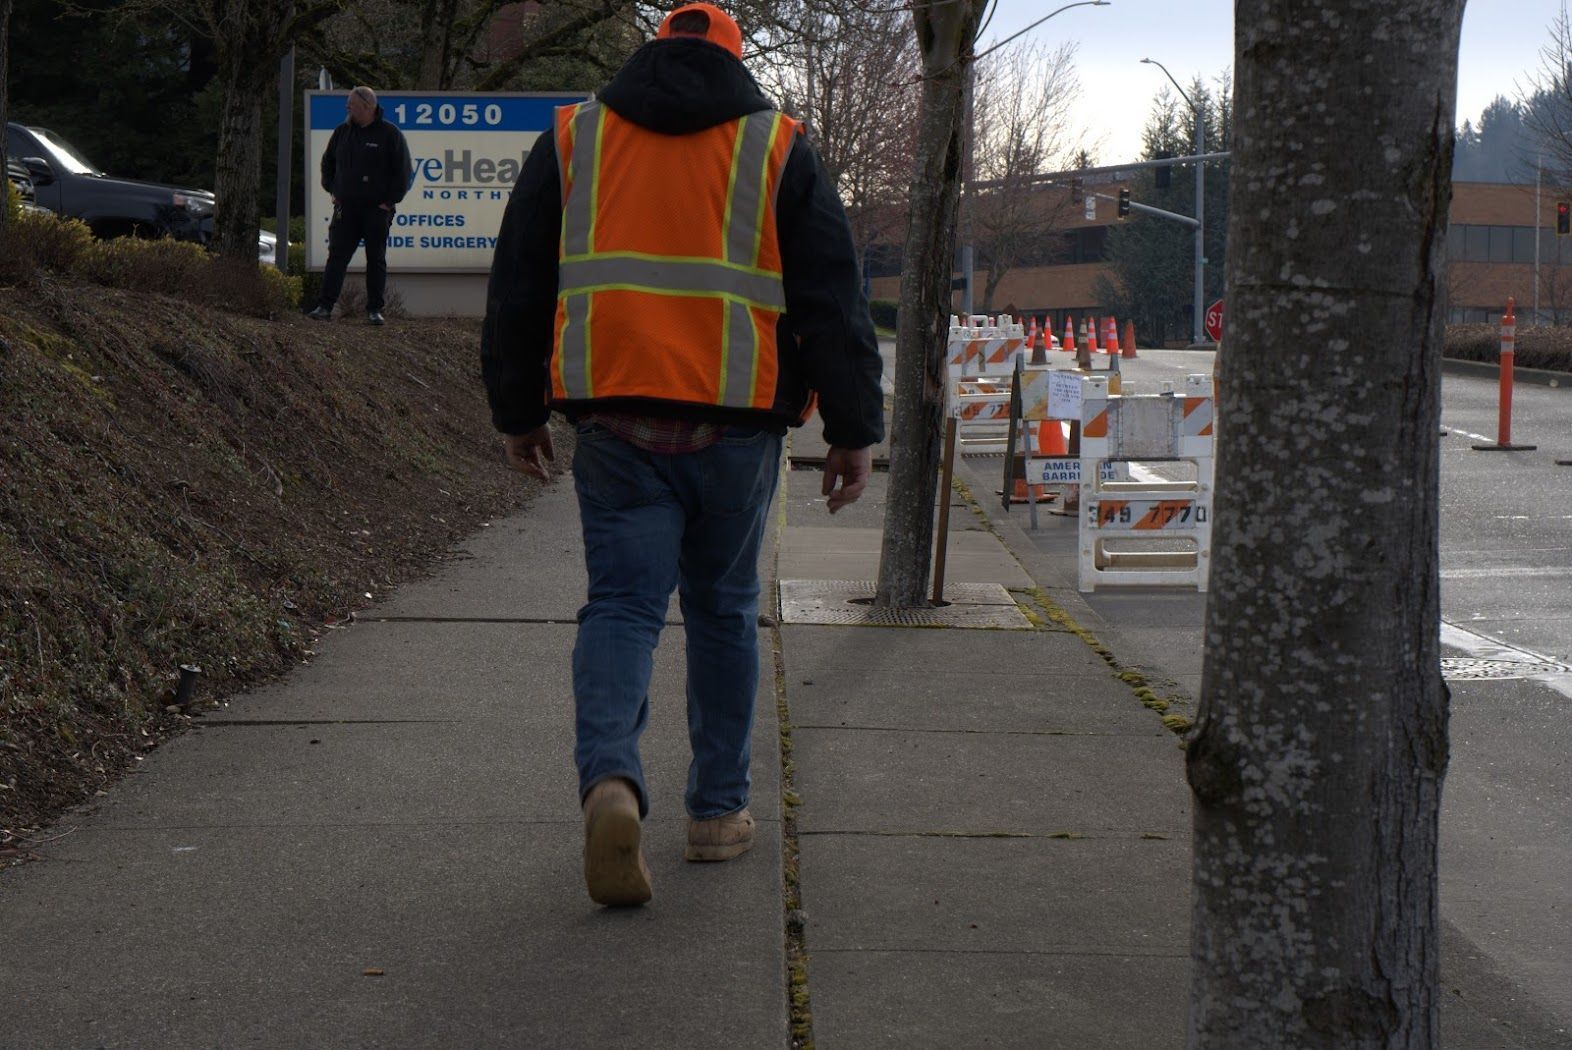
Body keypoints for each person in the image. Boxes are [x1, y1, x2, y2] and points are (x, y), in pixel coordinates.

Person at [480, 2, 884, 908]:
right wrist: (853, 430)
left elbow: (519, 280)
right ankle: (715, 813)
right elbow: (829, 294)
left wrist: (517, 411)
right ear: (737, 61)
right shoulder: (778, 146)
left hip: (616, 418)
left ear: (653, 50)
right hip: (737, 422)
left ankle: (613, 783)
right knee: (723, 611)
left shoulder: (575, 138)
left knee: (622, 605)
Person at [308, 86, 413, 326]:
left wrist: (389, 201)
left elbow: (404, 172)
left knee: (375, 259)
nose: (347, 108)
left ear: (368, 107)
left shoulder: (390, 134)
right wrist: (333, 189)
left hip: (377, 210)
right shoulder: (342, 132)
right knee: (337, 257)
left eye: (352, 105)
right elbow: (328, 163)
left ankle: (374, 310)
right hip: (346, 209)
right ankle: (324, 307)